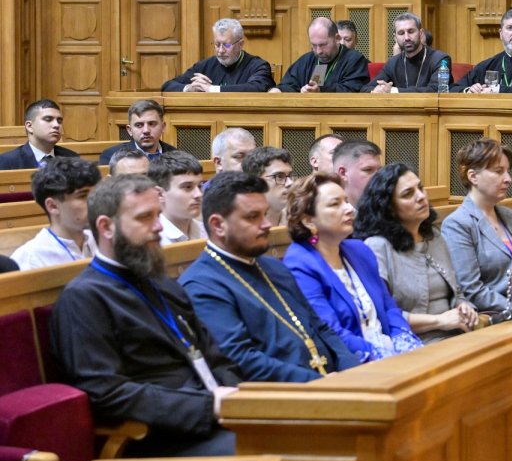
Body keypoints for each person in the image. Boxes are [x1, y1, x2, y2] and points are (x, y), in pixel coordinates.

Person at [50, 174, 242, 457]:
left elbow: (214, 356)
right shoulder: (84, 298)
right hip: (160, 437)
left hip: (220, 418)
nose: (158, 227)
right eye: (144, 218)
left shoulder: (161, 283)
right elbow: (107, 392)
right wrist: (208, 405)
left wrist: (242, 400)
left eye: (158, 215)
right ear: (106, 227)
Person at [180, 173, 360, 382]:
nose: (266, 224)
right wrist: (318, 383)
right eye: (252, 216)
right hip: (278, 400)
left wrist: (352, 371)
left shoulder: (274, 267)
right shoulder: (201, 285)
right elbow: (241, 360)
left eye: (265, 214)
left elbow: (319, 327)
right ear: (218, 225)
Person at [282, 173, 422, 362]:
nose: (349, 209)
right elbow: (330, 330)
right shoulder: (300, 263)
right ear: (308, 220)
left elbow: (389, 307)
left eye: (347, 201)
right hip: (350, 364)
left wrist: (403, 341)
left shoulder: (360, 250)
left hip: (391, 352)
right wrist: (380, 354)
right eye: (335, 204)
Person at [353, 163, 479, 342]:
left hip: (456, 334)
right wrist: (440, 321)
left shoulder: (434, 236)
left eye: (420, 188)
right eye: (407, 194)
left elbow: (456, 292)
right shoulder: (377, 246)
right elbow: (381, 315)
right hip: (412, 342)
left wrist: (463, 306)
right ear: (389, 207)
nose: (420, 197)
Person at [442, 138, 512, 314]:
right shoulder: (457, 224)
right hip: (493, 316)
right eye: (499, 171)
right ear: (473, 176)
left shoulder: (511, 217)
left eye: (507, 171)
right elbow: (471, 290)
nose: (508, 179)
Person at [11, 157, 101, 270]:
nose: (95, 201)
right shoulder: (31, 260)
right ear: (53, 206)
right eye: (83, 196)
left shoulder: (104, 241)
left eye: (97, 193)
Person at [161, 18, 275, 93]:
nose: (220, 51)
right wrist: (189, 88)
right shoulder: (205, 66)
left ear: (240, 44)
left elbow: (257, 88)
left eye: (226, 45)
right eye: (217, 44)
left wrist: (212, 89)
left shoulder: (257, 66)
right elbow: (167, 86)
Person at [274, 17, 369, 93]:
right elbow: (289, 84)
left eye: (323, 45)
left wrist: (321, 91)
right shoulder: (307, 59)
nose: (318, 51)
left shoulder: (355, 60)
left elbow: (352, 90)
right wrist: (278, 90)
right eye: (314, 45)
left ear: (337, 38)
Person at [367, 12, 451, 93]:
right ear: (395, 38)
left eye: (411, 31)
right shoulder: (392, 63)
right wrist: (377, 90)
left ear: (420, 33)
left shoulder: (441, 59)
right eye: (401, 33)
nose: (406, 37)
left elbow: (437, 89)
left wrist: (393, 91)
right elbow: (367, 88)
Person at [0, 99, 80, 169]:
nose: (56, 125)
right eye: (48, 119)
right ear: (29, 126)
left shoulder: (71, 158)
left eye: (59, 121)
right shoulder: (7, 161)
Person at [148, 151, 206, 243]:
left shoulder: (208, 233)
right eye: (188, 187)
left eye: (199, 186)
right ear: (159, 194)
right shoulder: (150, 242)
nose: (198, 194)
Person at [97, 100, 177, 165]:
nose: (146, 130)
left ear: (163, 127)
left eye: (152, 124)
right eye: (139, 125)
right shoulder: (112, 156)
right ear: (129, 130)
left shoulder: (175, 156)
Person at [242, 146, 295, 225]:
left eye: (290, 176)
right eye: (279, 176)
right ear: (256, 183)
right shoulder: (240, 231)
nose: (290, 183)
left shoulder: (301, 227)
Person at [332, 139, 382, 206]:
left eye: (379, 170)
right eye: (368, 170)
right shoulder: (325, 215)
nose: (378, 177)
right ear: (343, 173)